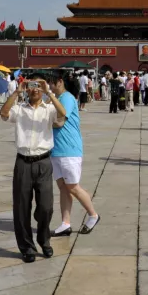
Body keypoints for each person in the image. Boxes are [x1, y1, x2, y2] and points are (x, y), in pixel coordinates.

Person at [0, 75, 66, 263]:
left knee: (46, 207)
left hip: (43, 162)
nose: (35, 89)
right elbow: (4, 114)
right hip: (23, 162)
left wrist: (49, 92)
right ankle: (26, 247)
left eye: (38, 86)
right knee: (21, 207)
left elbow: (63, 113)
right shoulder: (19, 109)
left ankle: (44, 240)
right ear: (26, 89)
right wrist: (16, 92)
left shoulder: (49, 109)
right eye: (31, 86)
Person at [49, 74, 100, 237]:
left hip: (69, 149)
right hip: (56, 149)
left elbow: (60, 121)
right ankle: (65, 223)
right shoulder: (58, 98)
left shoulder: (66, 98)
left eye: (51, 83)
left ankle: (93, 215)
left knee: (72, 187)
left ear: (60, 81)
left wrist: (39, 121)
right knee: (63, 187)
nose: (49, 87)